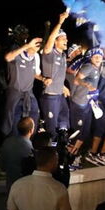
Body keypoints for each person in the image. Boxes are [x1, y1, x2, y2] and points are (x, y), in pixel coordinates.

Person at [1, 29, 42, 136]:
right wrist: (27, 45)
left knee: (34, 114)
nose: (37, 46)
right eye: (35, 44)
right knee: (14, 120)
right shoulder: (17, 52)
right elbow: (7, 57)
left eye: (39, 45)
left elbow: (35, 73)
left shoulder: (36, 57)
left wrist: (43, 79)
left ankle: (28, 143)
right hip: (15, 92)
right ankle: (13, 143)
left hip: (29, 93)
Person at [39, 11, 71, 140]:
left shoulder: (63, 56)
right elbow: (49, 43)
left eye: (66, 38)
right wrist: (59, 23)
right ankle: (50, 155)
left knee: (64, 123)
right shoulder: (49, 53)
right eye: (63, 38)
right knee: (51, 129)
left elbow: (58, 73)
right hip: (50, 97)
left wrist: (63, 86)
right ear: (55, 42)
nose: (66, 40)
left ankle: (62, 150)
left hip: (60, 95)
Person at [0, 117, 36, 193]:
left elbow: (3, 166)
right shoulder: (29, 147)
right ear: (31, 130)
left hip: (10, 183)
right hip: (24, 186)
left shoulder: (7, 142)